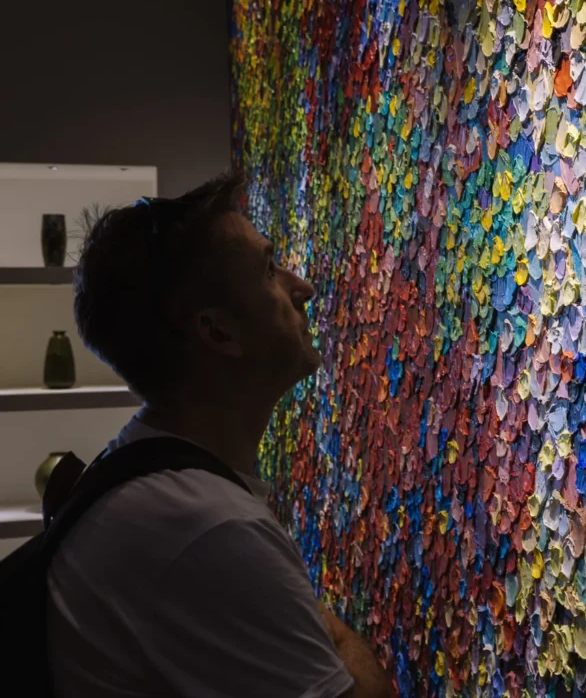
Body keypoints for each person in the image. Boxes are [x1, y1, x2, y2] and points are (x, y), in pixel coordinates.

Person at [47, 174, 393, 697]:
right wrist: (342, 642)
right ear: (217, 332)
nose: (303, 288)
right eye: (270, 268)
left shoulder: (139, 467)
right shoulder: (210, 531)